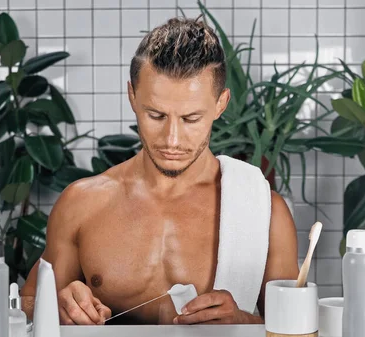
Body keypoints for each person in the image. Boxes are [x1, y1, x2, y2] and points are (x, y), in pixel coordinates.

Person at [19, 15, 299, 325]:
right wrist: (55, 305)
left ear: (220, 105)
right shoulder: (82, 204)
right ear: (133, 97)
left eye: (191, 119)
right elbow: (28, 301)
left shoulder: (264, 211)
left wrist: (243, 322)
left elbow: (294, 326)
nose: (172, 140)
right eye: (156, 115)